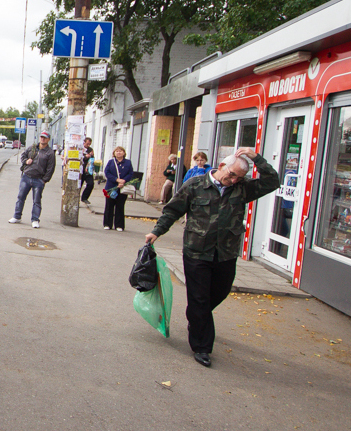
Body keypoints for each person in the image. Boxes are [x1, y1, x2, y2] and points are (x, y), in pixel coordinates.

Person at [144, 148, 279, 368]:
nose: (233, 180)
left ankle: (198, 319)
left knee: (219, 292)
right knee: (199, 298)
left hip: (225, 253)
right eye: (231, 174)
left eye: (238, 177)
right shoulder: (195, 185)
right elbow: (173, 210)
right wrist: (156, 232)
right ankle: (202, 347)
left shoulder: (242, 189)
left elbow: (273, 182)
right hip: (197, 251)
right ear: (223, 166)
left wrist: (256, 158)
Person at [10, 131, 56, 229]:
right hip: (26, 176)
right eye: (41, 137)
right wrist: (26, 161)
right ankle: (17, 216)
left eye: (45, 137)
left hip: (38, 179)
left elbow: (50, 168)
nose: (42, 139)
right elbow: (23, 156)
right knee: (20, 197)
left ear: (48, 139)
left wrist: (44, 180)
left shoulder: (50, 152)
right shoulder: (32, 147)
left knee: (36, 200)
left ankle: (35, 220)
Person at [102, 146, 133, 231]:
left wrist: (124, 181)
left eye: (120, 151)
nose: (118, 153)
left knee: (120, 206)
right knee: (109, 205)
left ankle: (119, 225)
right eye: (117, 151)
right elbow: (107, 173)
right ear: (114, 153)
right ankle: (107, 224)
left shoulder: (128, 162)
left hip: (122, 188)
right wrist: (116, 180)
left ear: (124, 153)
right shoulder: (111, 162)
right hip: (111, 187)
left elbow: (130, 173)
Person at [79, 138, 96, 205]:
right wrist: (85, 156)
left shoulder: (90, 150)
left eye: (89, 144)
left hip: (88, 170)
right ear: (84, 142)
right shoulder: (80, 149)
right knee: (79, 185)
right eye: (87, 143)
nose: (88, 145)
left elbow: (92, 158)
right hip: (81, 169)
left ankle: (84, 198)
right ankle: (77, 200)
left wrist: (91, 156)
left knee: (90, 184)